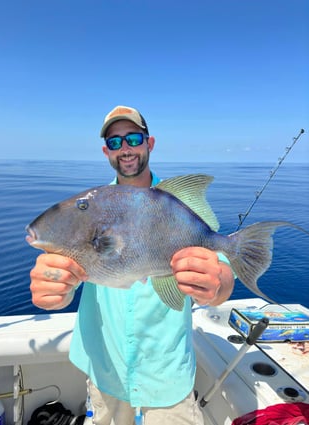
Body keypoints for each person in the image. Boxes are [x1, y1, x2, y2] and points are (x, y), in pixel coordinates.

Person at [30, 105, 235, 425]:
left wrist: (218, 283)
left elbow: (219, 276)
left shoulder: (174, 200)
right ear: (106, 151)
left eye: (133, 138)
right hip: (105, 374)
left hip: (166, 377)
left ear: (149, 143)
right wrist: (54, 289)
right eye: (115, 142)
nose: (125, 148)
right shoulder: (95, 208)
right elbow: (69, 273)